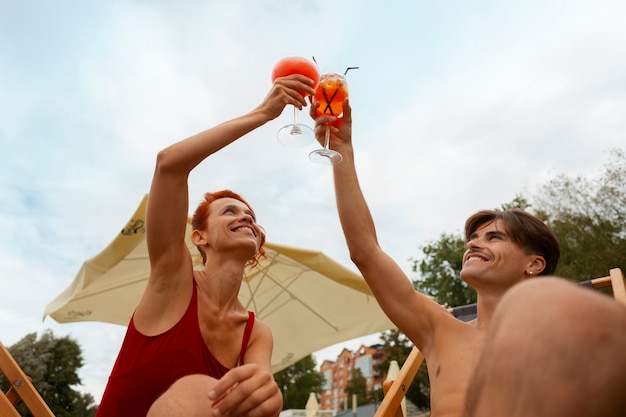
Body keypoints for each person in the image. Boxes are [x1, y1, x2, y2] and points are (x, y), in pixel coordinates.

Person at [310, 100, 626, 417]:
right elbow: (365, 251)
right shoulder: (439, 331)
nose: (474, 244)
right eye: (473, 238)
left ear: (534, 263)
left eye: (494, 237)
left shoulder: (571, 338)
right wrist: (342, 150)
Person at [95, 73, 317, 417]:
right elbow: (169, 165)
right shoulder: (173, 279)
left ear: (257, 242)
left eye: (251, 215)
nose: (246, 218)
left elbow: (259, 390)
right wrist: (263, 113)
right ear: (199, 237)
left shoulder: (257, 333)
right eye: (230, 211)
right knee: (199, 390)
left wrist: (266, 397)